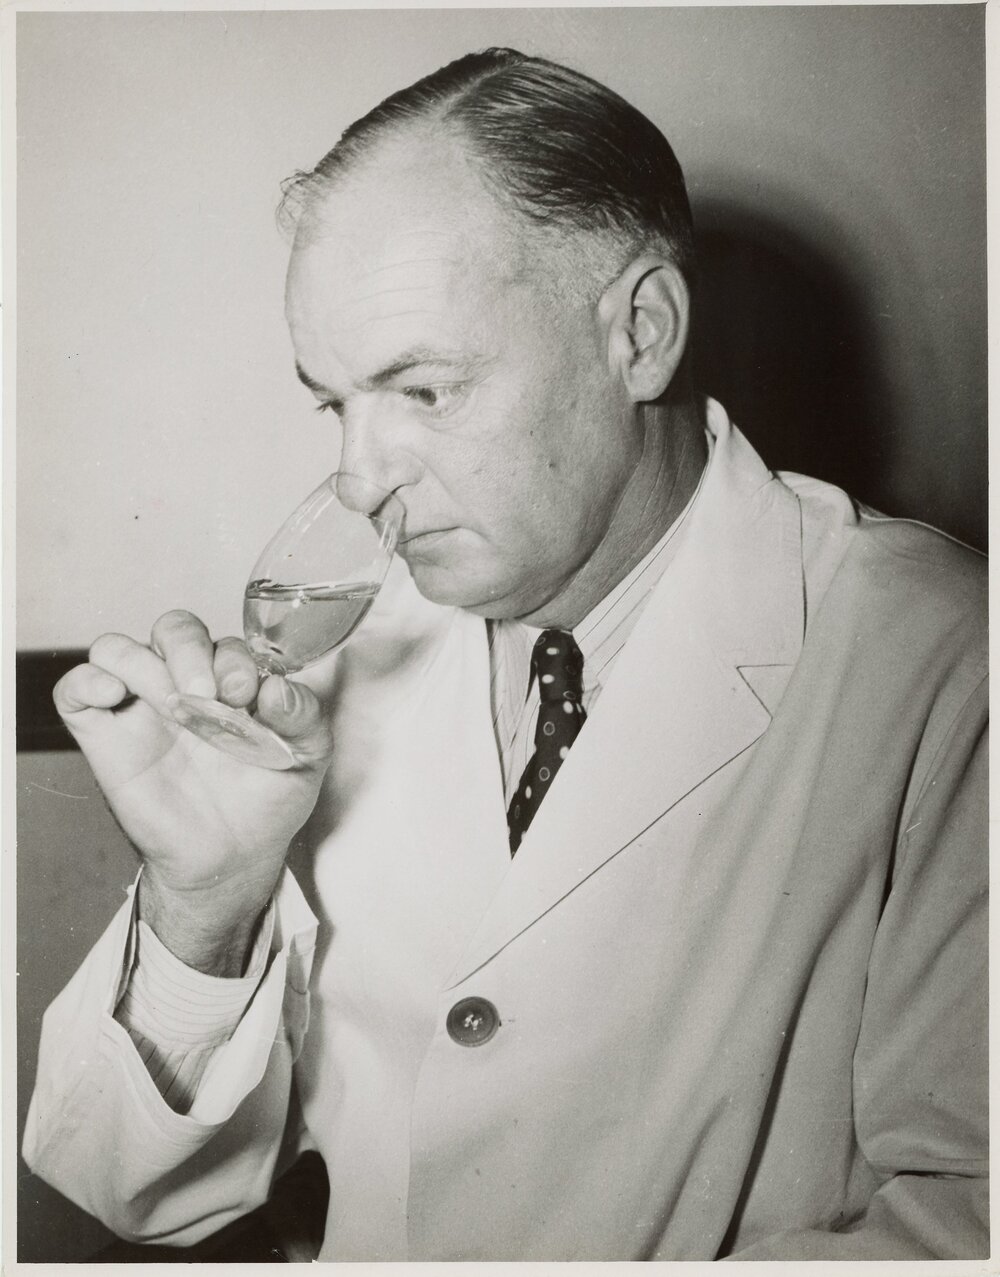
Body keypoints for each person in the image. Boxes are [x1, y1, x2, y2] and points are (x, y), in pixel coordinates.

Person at [23, 48, 986, 1261]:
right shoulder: (347, 648)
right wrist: (205, 907)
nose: (359, 477)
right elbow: (132, 1192)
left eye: (421, 390)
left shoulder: (940, 653)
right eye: (335, 402)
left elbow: (969, 1218)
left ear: (640, 332)